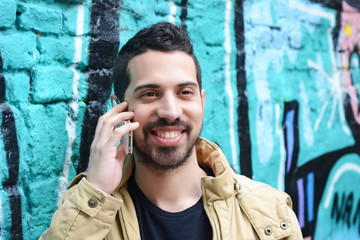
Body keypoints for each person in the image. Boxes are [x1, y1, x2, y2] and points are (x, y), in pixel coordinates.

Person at [40, 22, 303, 240]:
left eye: (184, 92)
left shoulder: (270, 212)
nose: (170, 111)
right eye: (150, 93)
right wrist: (97, 190)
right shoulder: (88, 212)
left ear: (202, 101)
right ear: (118, 107)